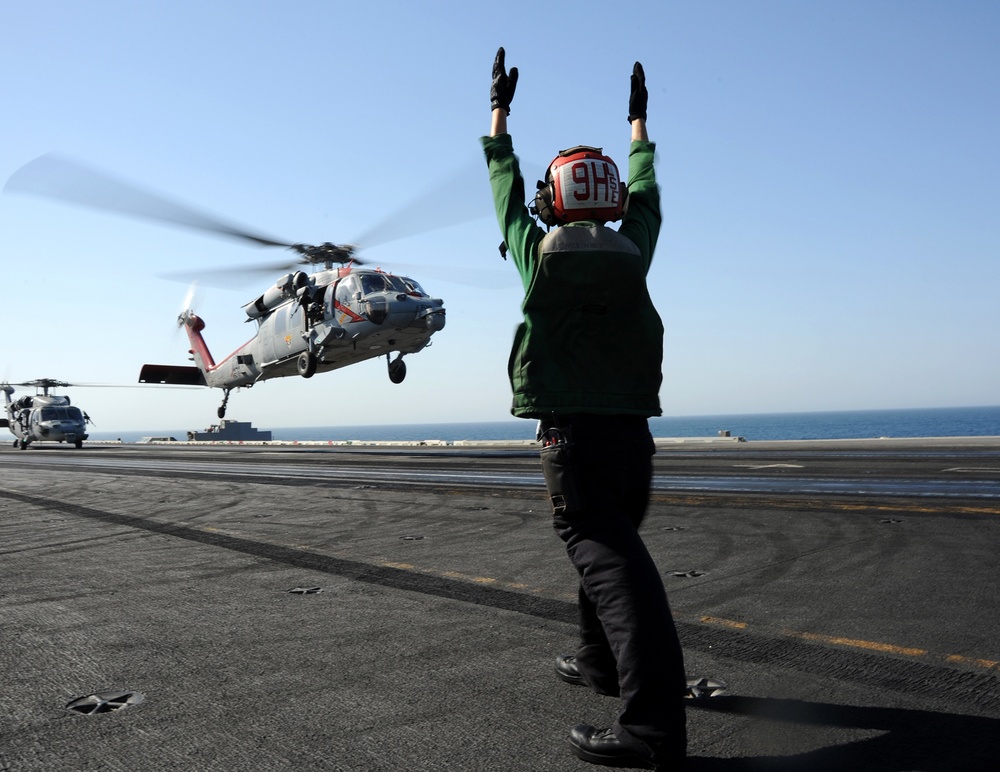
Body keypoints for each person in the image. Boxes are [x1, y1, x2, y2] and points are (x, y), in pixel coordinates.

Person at [481, 48, 688, 769]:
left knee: (615, 571)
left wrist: (498, 114)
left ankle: (654, 731)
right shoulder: (635, 248)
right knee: (606, 556)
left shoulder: (538, 257)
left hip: (570, 439)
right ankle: (596, 664)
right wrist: (639, 124)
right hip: (633, 443)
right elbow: (649, 194)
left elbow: (504, 189)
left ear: (556, 200)